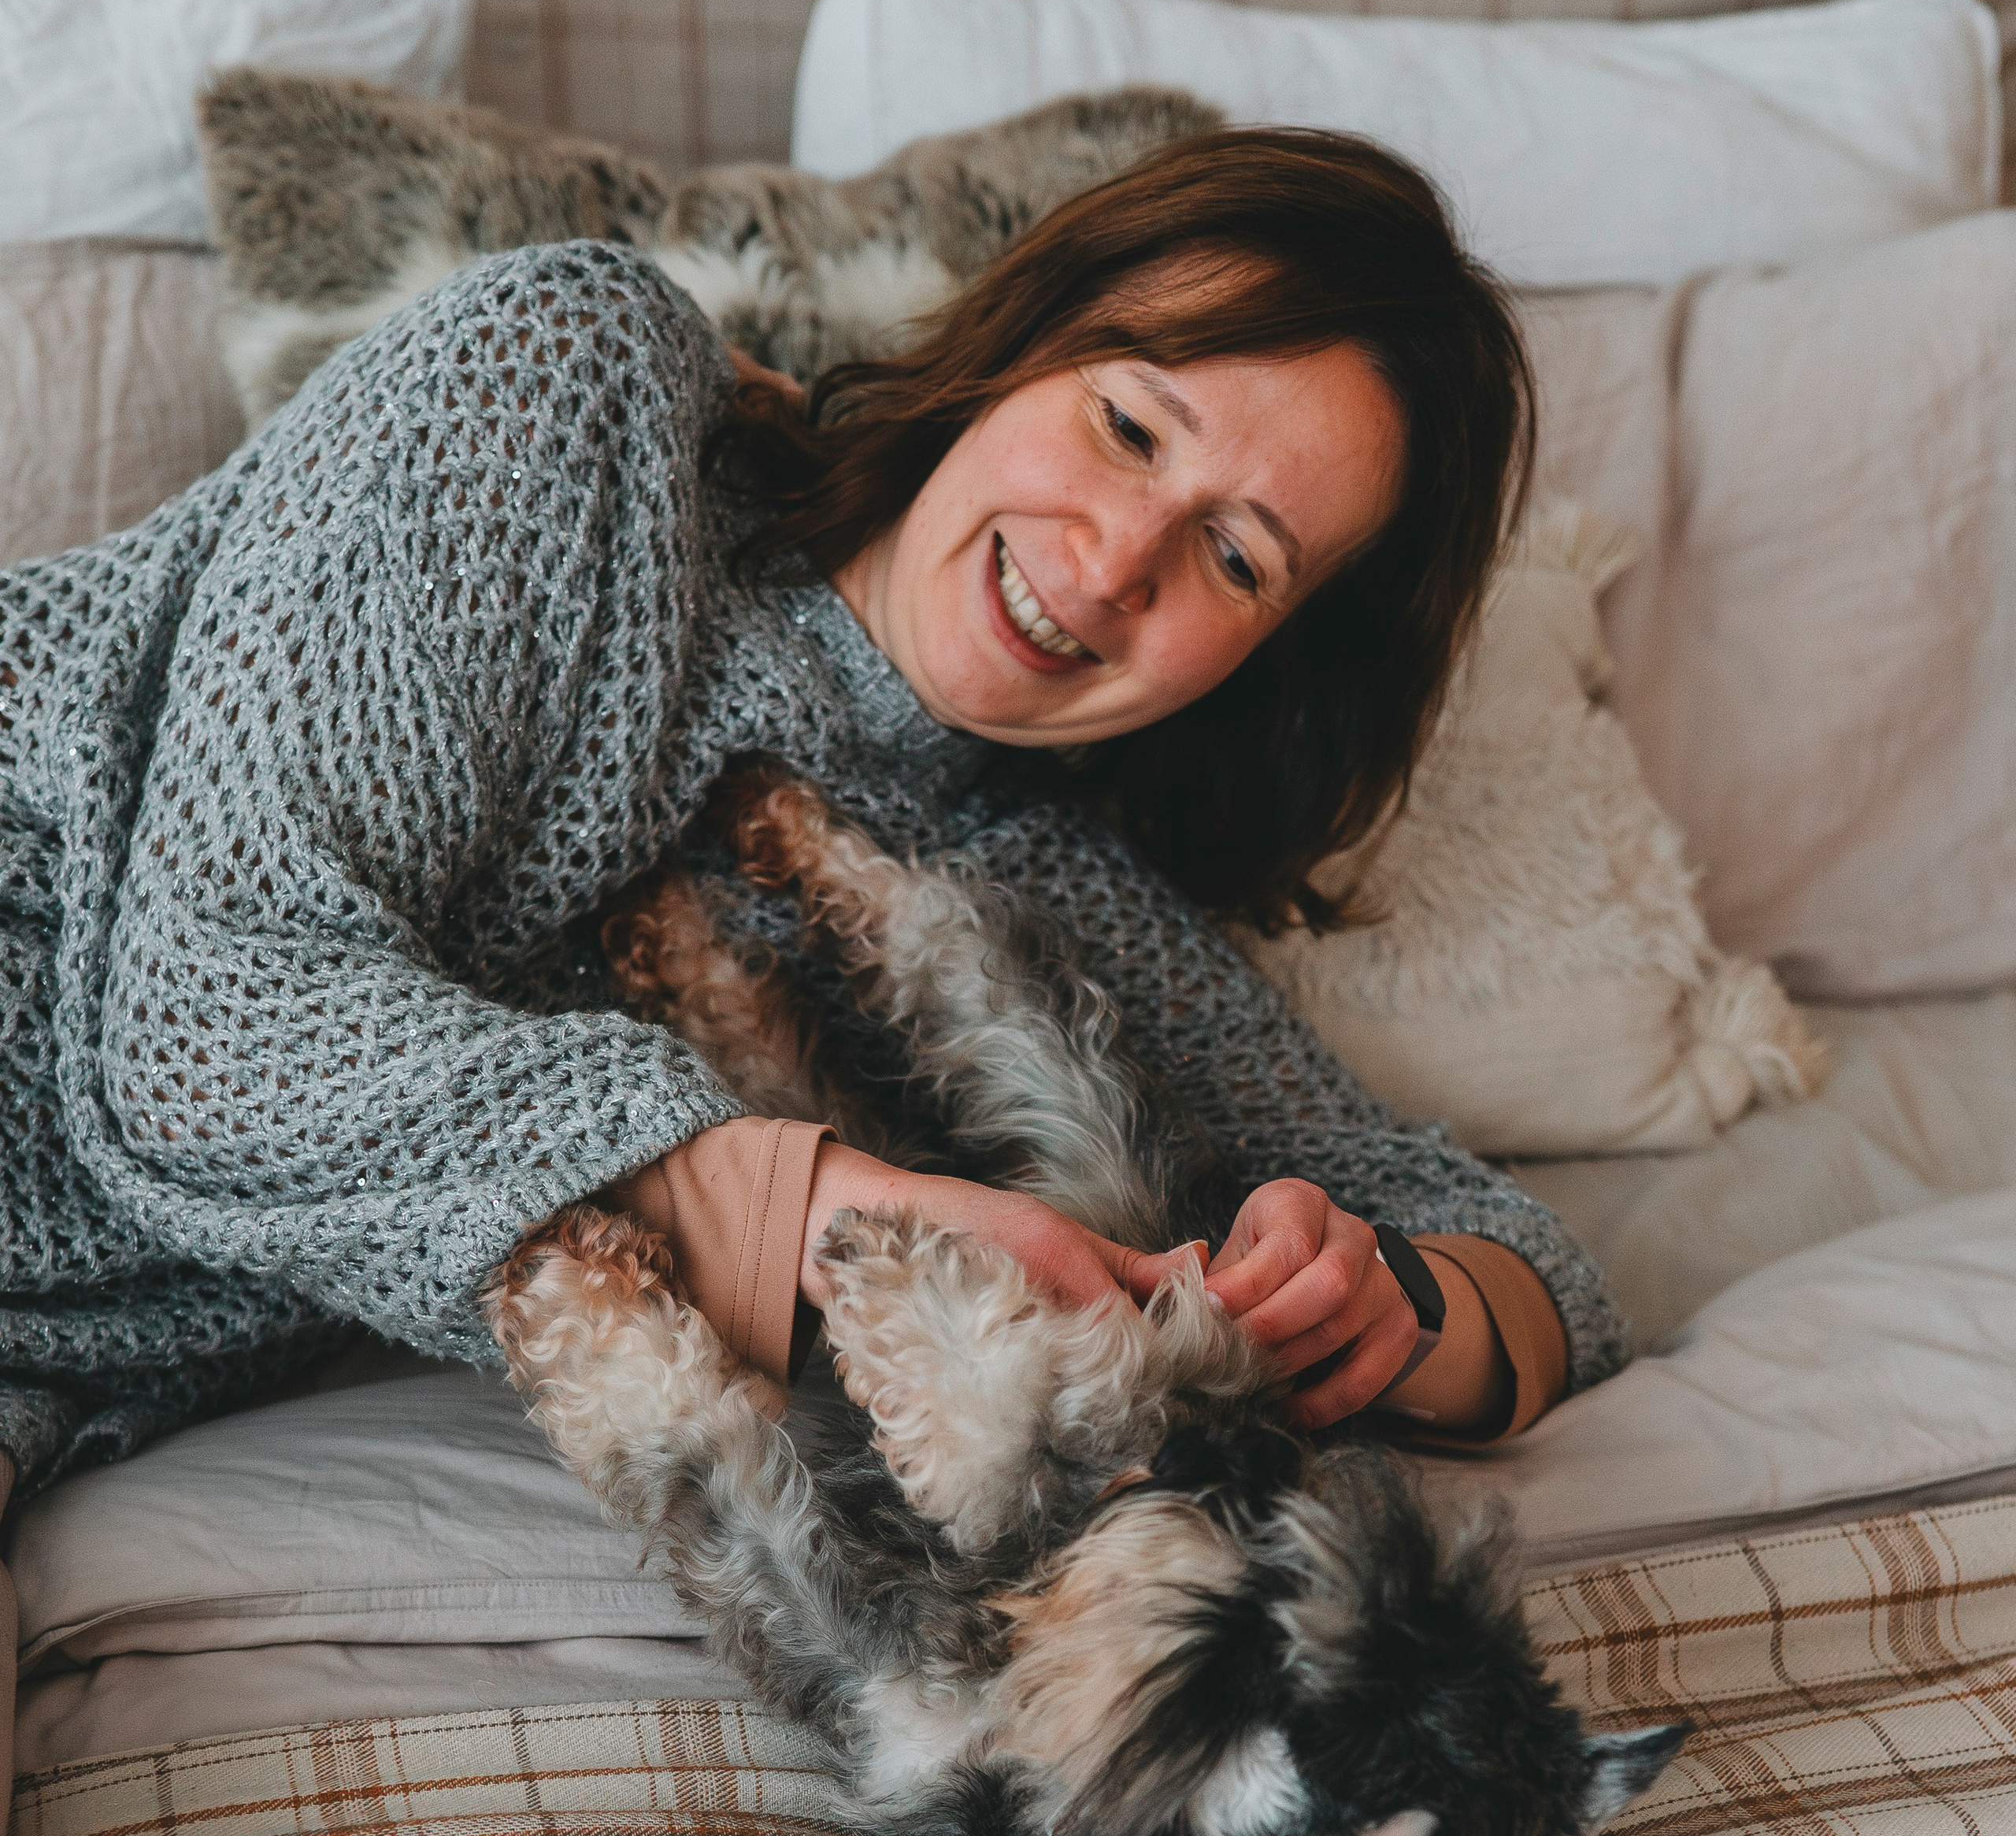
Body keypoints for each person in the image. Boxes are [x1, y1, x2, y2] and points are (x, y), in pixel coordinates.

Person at [0, 126, 1623, 1518]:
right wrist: (838, 1215)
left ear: (1271, 661)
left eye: (1236, 559)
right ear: (1019, 346)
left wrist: (1382, 1304)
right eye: (1128, 425)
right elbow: (207, 1026)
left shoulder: (1039, 902)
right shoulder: (577, 383)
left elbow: (1509, 1256)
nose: (1116, 556)